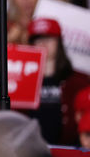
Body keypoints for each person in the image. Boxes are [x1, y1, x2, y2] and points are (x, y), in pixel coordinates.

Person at [26, 17, 90, 145]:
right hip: (30, 153)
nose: (43, 43)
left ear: (59, 42)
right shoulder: (22, 81)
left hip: (69, 152)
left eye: (48, 38)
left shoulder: (79, 81)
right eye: (38, 39)